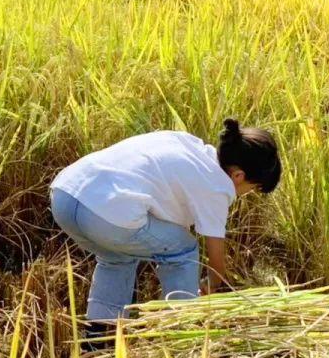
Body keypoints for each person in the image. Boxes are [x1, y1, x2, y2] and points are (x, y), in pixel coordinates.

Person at [50, 119, 281, 325]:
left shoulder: (188, 145)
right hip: (107, 215)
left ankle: (98, 337)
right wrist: (210, 283)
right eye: (252, 189)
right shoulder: (218, 186)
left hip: (65, 195)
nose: (245, 194)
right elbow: (216, 265)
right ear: (238, 175)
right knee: (184, 249)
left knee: (118, 256)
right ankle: (180, 328)